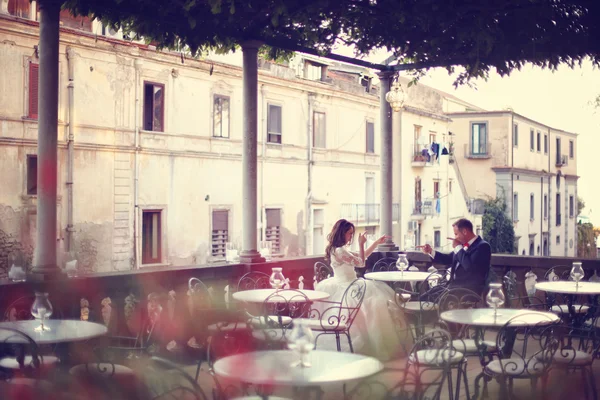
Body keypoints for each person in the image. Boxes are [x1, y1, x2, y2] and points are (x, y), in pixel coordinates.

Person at [314, 219, 409, 361]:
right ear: (342, 232)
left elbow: (359, 256)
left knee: (377, 301)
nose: (351, 236)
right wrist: (361, 243)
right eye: (349, 233)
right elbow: (361, 263)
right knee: (376, 303)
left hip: (352, 283)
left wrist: (375, 243)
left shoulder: (339, 248)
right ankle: (373, 343)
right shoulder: (339, 250)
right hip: (347, 286)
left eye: (352, 233)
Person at [419, 218, 491, 295]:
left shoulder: (483, 246)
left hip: (467, 291)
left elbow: (469, 266)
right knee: (424, 296)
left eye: (456, 234)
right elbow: (447, 259)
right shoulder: (462, 246)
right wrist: (430, 251)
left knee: (427, 300)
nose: (455, 237)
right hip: (451, 287)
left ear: (464, 231)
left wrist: (458, 247)